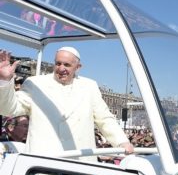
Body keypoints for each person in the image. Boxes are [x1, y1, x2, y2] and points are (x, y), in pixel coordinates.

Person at [0, 47, 134, 159]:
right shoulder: (35, 83)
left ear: (78, 67)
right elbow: (9, 110)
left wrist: (122, 142)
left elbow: (104, 118)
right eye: (58, 63)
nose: (61, 68)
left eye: (67, 65)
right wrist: (5, 81)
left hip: (80, 161)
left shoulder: (89, 86)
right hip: (43, 161)